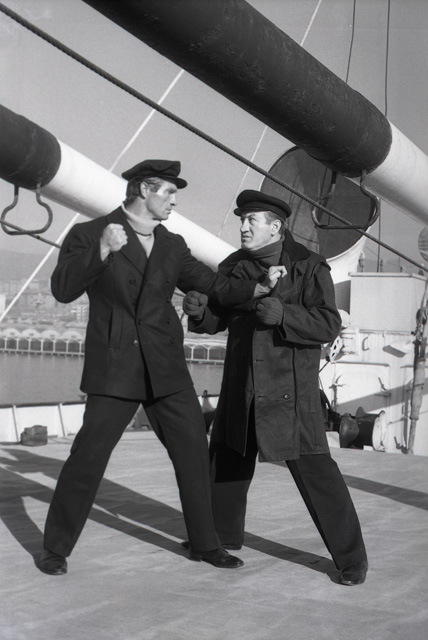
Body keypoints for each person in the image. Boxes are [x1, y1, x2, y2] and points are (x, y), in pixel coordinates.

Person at [38, 161, 282, 575]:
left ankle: (206, 544)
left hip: (166, 367)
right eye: (168, 192)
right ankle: (55, 548)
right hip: (115, 367)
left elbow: (213, 285)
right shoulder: (90, 234)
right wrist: (102, 251)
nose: (174, 201)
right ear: (143, 190)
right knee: (88, 457)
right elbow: (62, 289)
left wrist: (257, 287)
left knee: (192, 453)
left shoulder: (172, 244)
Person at [183, 189, 368, 586]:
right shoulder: (233, 266)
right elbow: (219, 318)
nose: (243, 226)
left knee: (316, 472)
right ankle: (218, 539)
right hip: (242, 385)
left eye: (251, 220)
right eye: (242, 219)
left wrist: (284, 314)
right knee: (227, 462)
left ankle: (352, 559)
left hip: (290, 392)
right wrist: (200, 314)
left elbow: (328, 323)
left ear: (275, 227)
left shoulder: (308, 266)